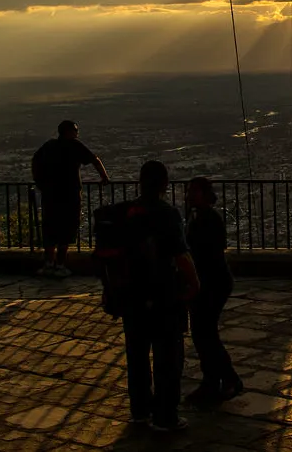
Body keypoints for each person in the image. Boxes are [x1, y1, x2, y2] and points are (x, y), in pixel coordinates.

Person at [120, 160, 200, 432]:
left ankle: (140, 411)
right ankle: (166, 415)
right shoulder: (167, 214)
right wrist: (194, 283)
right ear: (165, 184)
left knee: (137, 355)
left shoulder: (128, 212)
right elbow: (181, 254)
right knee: (167, 356)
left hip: (132, 294)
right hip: (164, 292)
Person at [183, 176, 243, 407]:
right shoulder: (200, 217)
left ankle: (225, 379)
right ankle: (214, 380)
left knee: (204, 334)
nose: (188, 196)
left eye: (193, 192)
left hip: (212, 283)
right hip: (209, 282)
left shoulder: (206, 219)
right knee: (204, 334)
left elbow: (204, 253)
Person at [31, 120, 109, 277]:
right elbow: (95, 160)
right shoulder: (75, 145)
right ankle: (60, 265)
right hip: (69, 195)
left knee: (50, 229)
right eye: (75, 130)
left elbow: (35, 161)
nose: (77, 133)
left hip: (50, 195)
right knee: (66, 230)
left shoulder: (49, 146)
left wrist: (40, 183)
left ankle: (48, 264)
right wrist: (104, 177)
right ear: (68, 132)